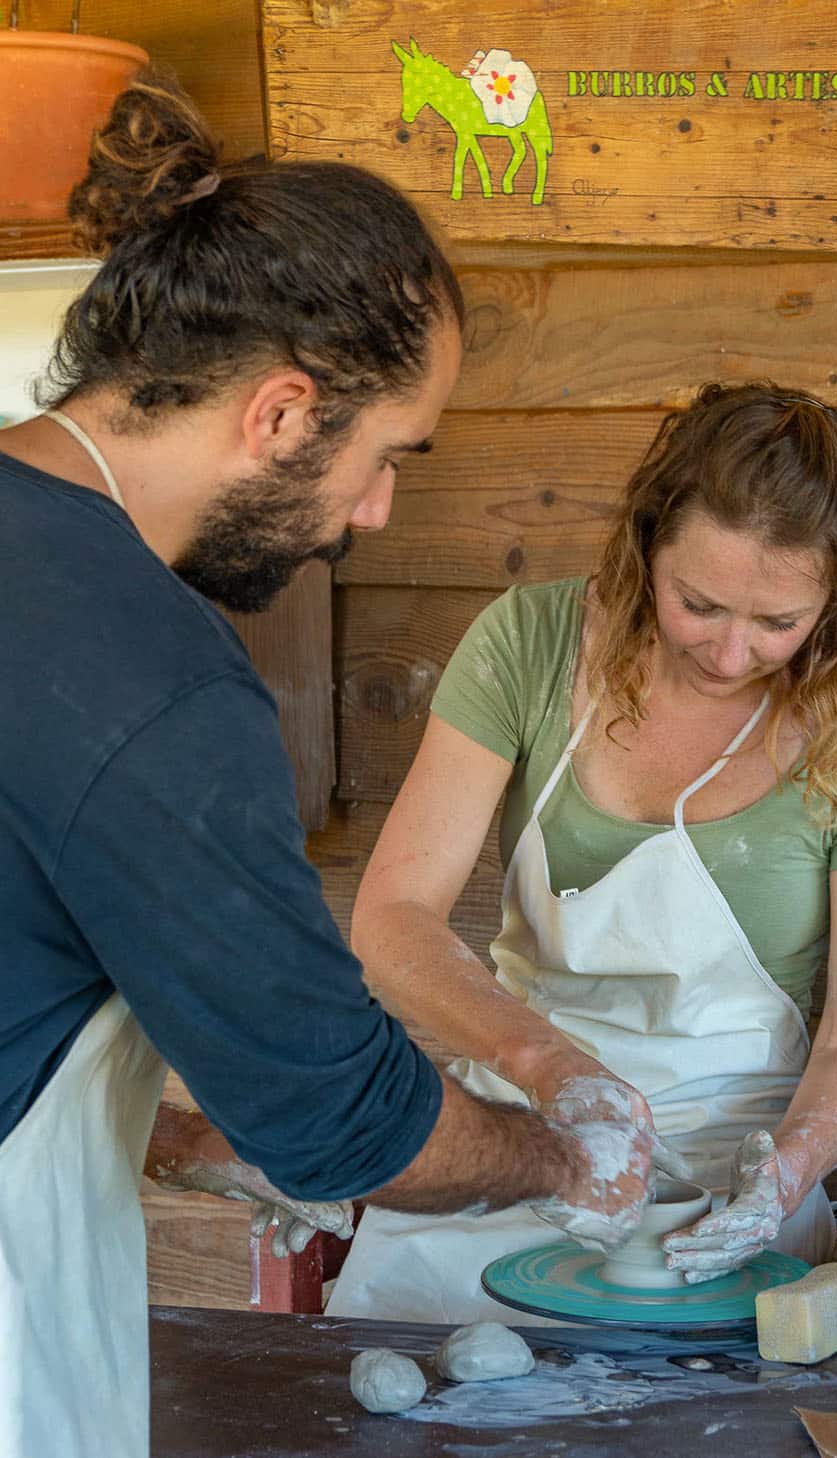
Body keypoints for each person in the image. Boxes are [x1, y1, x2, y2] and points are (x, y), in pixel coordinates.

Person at [0, 73, 654, 1458]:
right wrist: (556, 1156)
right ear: (283, 413)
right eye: (385, 455)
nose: (370, 511)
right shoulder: (155, 680)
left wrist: (177, 1135)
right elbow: (348, 1124)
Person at [328, 381, 837, 1325]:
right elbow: (392, 917)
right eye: (699, 603)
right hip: (521, 1138)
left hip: (733, 1189)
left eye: (778, 624)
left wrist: (789, 1172)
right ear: (646, 542)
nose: (731, 655)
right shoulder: (528, 646)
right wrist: (554, 1072)